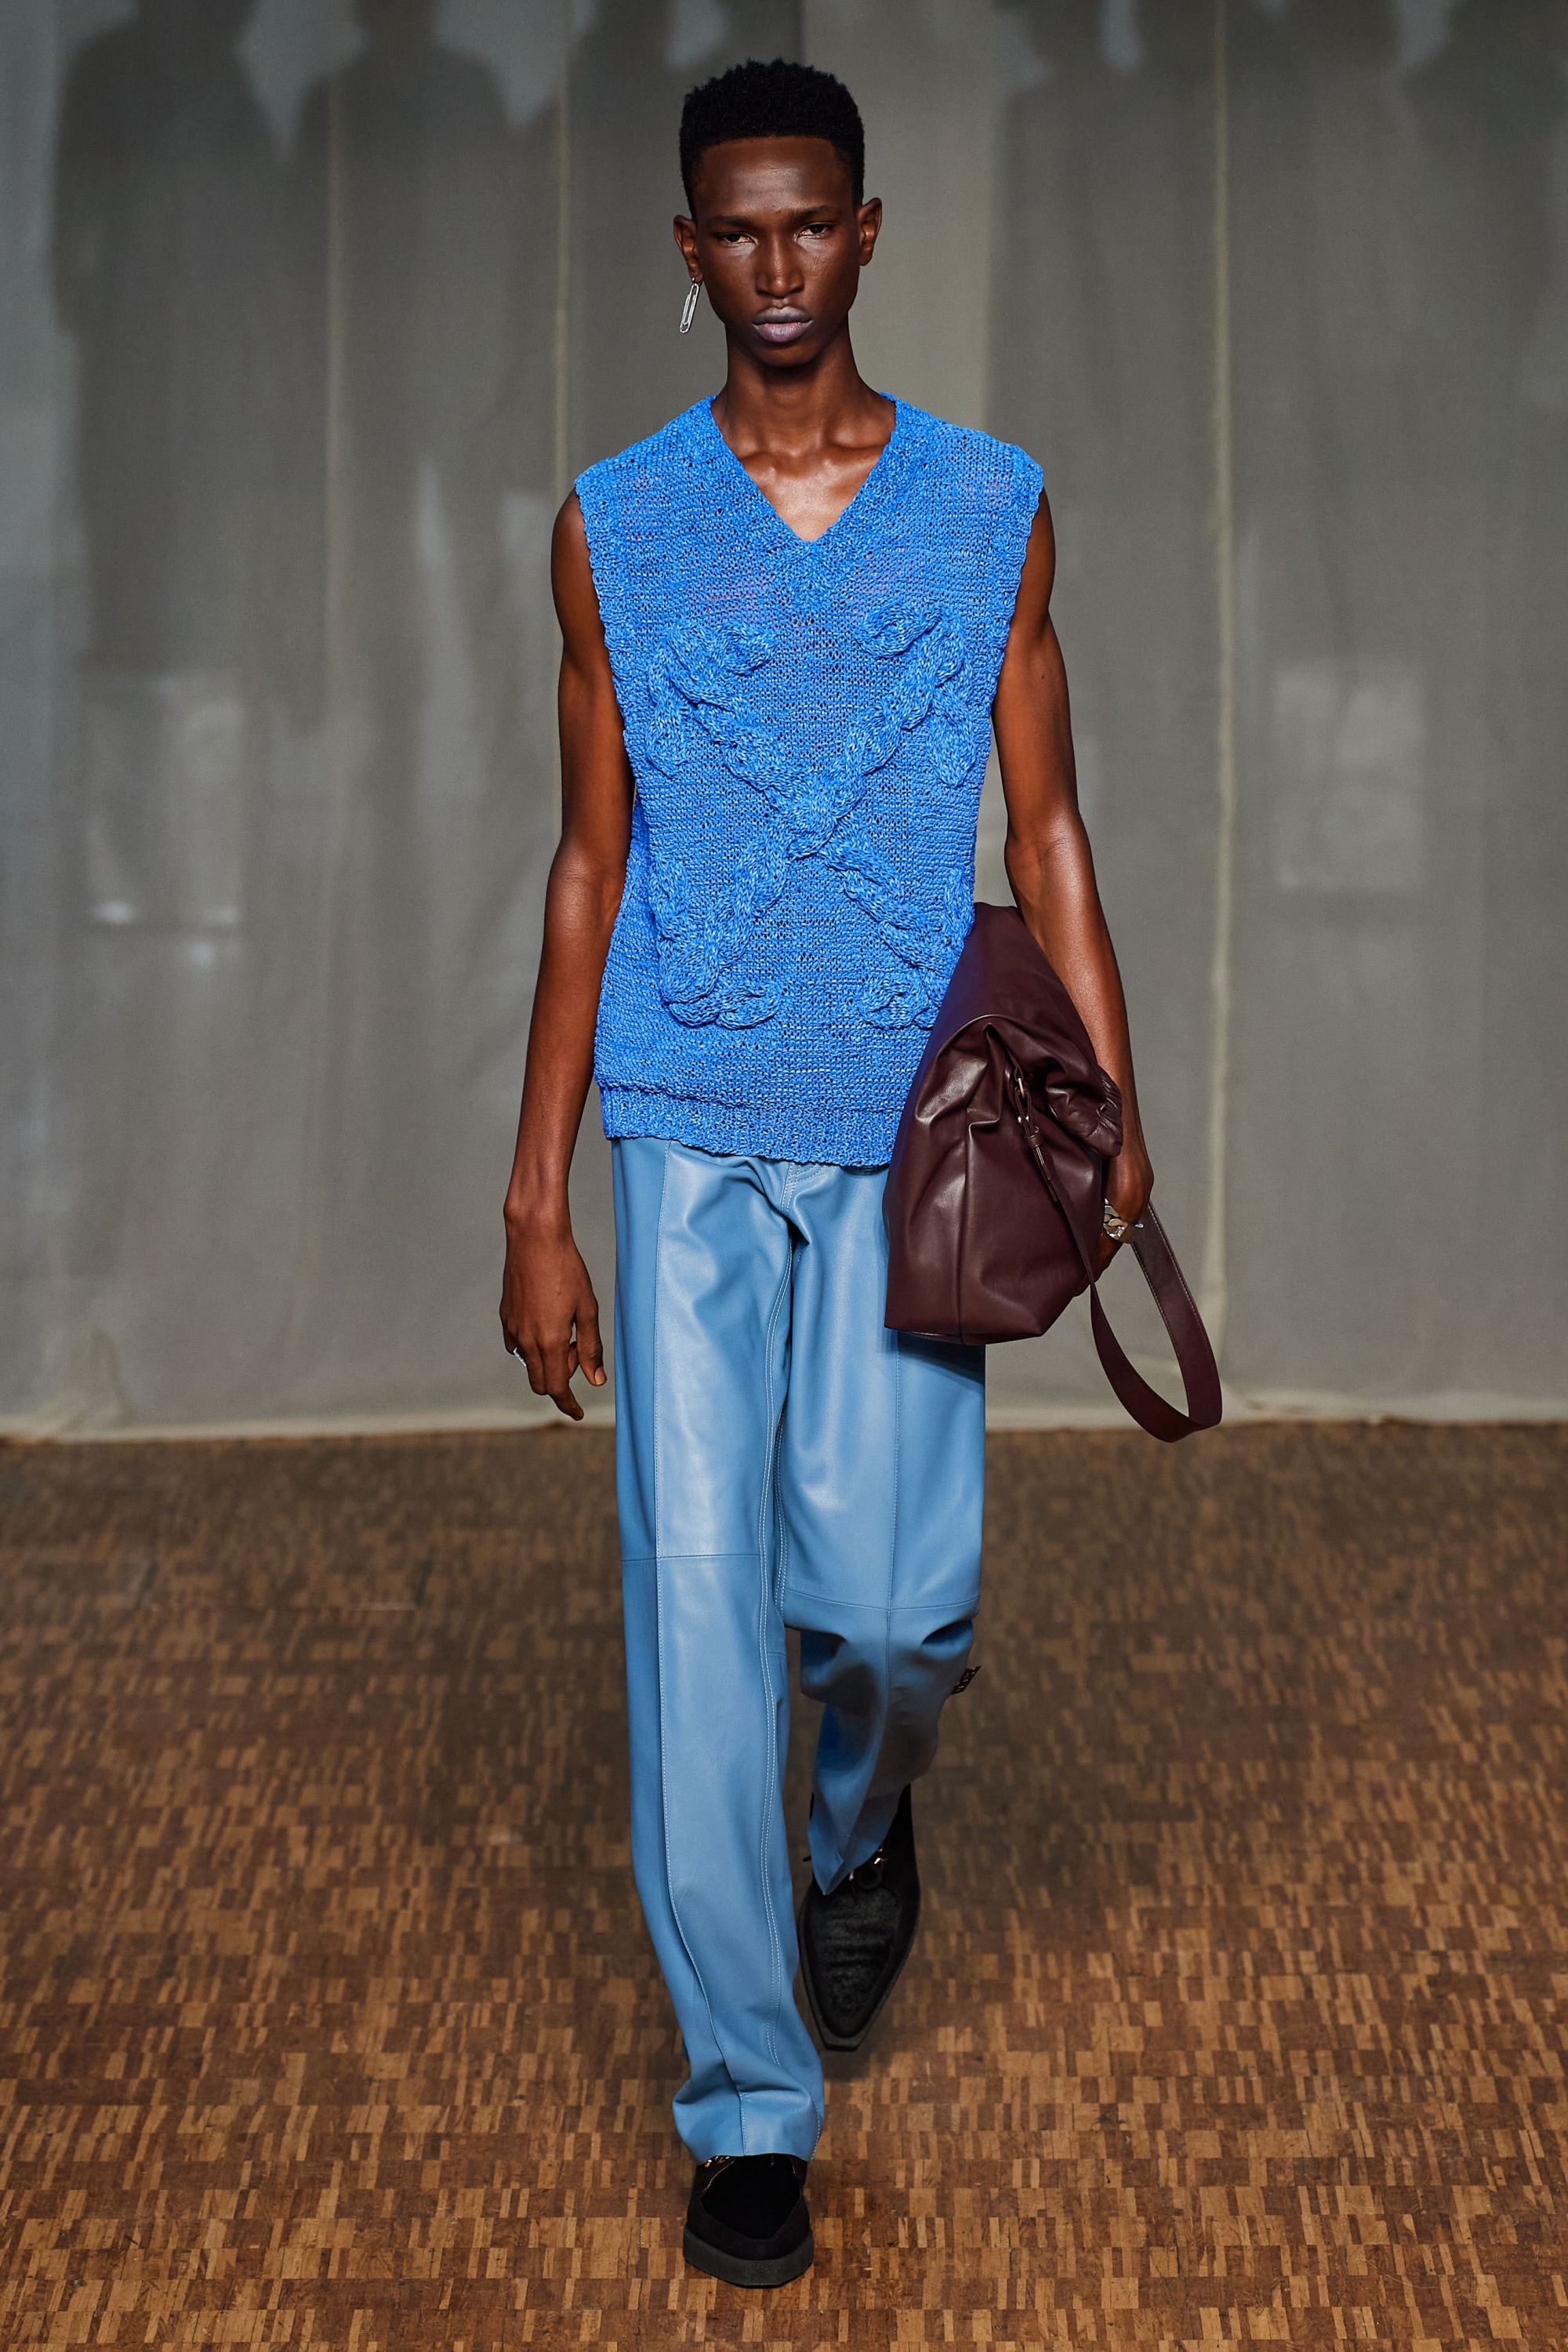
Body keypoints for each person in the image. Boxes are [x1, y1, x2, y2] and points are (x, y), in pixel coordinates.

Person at [499, 58, 1151, 2291]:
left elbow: (1046, 828)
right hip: (682, 1125)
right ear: (690, 253)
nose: (776, 262)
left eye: (812, 222)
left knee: (893, 1610)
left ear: (869, 232)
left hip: (911, 1134)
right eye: (736, 229)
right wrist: (535, 1198)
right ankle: (747, 2103)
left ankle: (861, 1829)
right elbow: (587, 866)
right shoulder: (610, 521)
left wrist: (1113, 1096)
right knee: (695, 1612)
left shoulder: (987, 505)